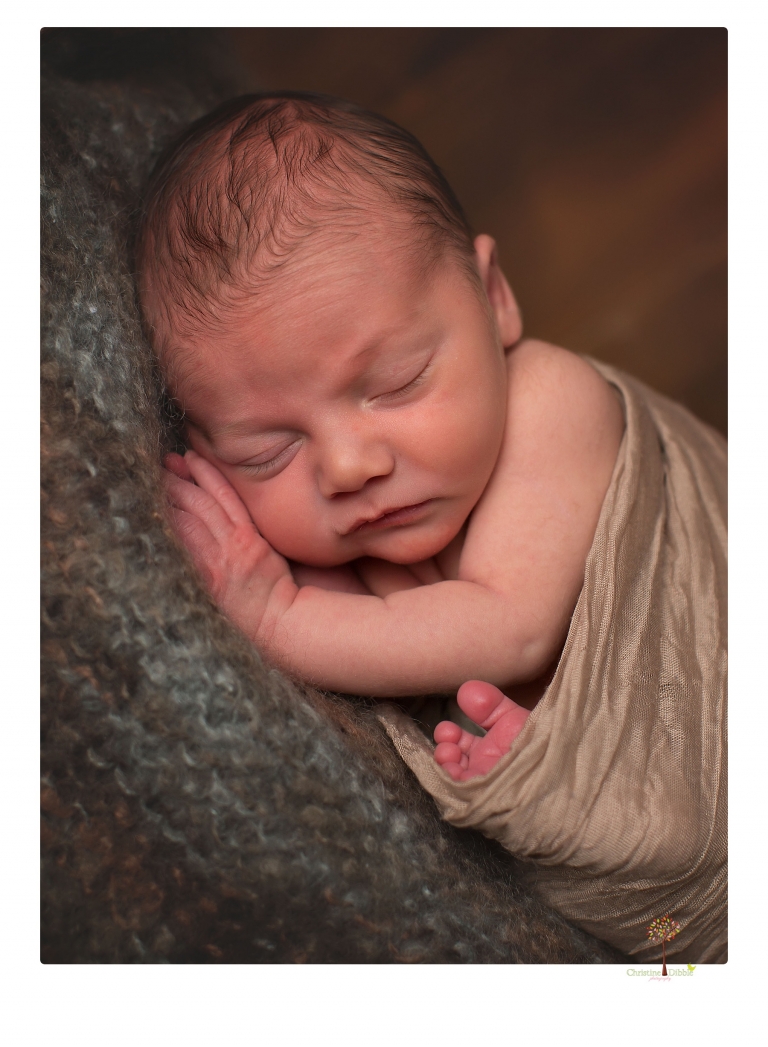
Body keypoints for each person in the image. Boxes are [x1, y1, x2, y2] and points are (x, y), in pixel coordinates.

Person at [137, 93, 726, 962]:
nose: (348, 467)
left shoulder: (551, 402)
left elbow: (510, 630)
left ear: (494, 303)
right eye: (269, 450)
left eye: (399, 381)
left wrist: (276, 617)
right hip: (677, 921)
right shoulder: (352, 548)